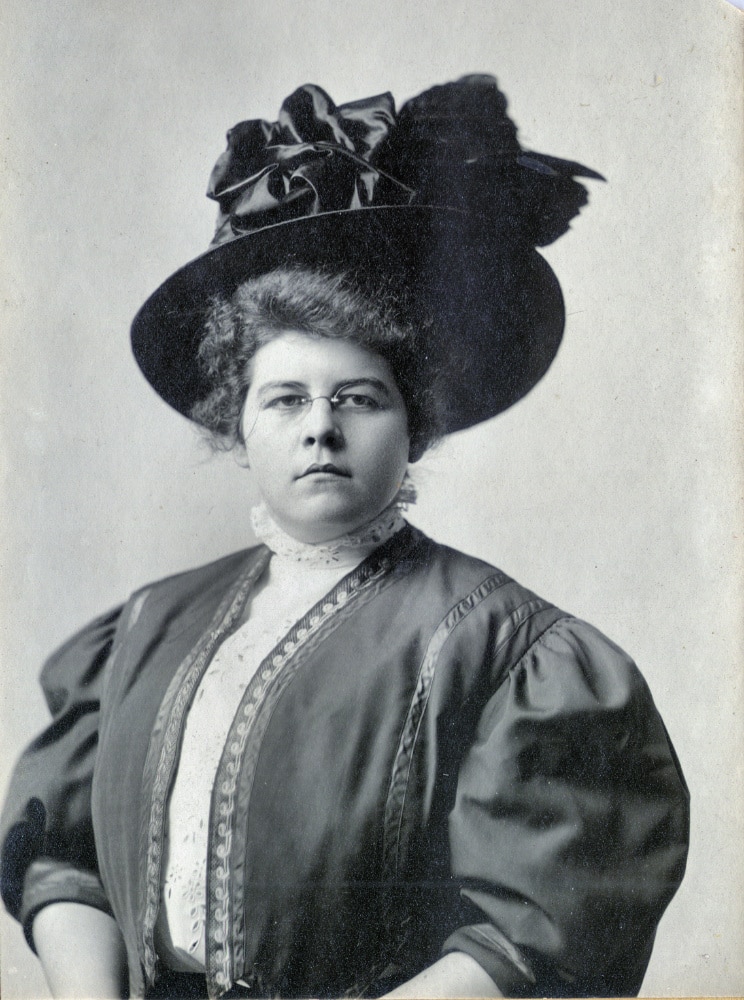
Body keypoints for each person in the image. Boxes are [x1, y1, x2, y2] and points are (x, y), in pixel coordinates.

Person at [0, 76, 689, 999]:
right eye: (285, 399)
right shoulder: (149, 626)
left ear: (413, 428)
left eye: (358, 399)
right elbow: (65, 852)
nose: (320, 427)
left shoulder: (506, 646)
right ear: (236, 428)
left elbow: (533, 936)